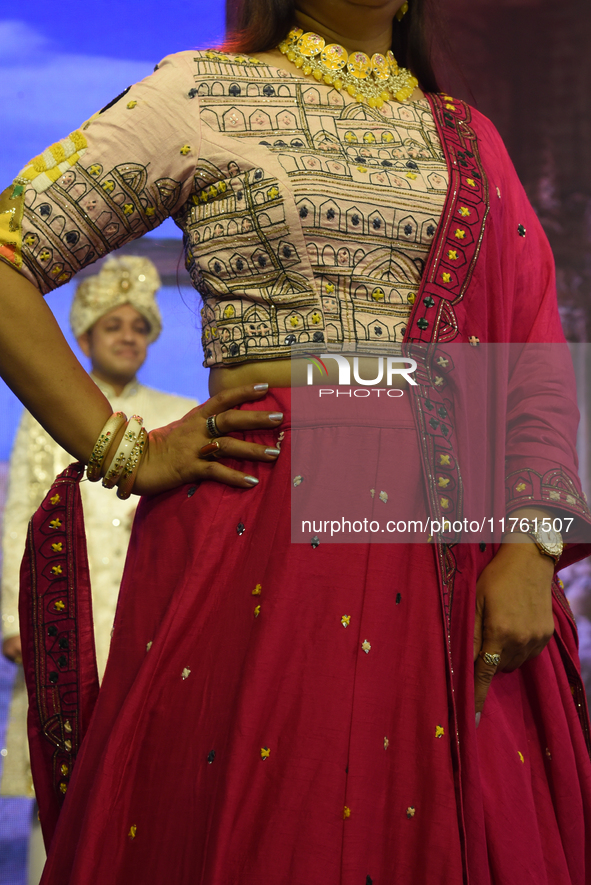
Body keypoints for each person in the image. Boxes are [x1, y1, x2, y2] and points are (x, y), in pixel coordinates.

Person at [0, 0, 590, 882]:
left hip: (451, 547)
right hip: (265, 525)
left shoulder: (469, 139)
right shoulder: (197, 93)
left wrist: (531, 545)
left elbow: (530, 354)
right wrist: (123, 447)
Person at [0, 255, 197, 882]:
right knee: (57, 780)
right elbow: (20, 517)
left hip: (152, 618)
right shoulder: (50, 411)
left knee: (152, 778)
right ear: (82, 337)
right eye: (112, 326)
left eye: (138, 326)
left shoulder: (180, 411)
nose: (126, 336)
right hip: (65, 618)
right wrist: (13, 618)